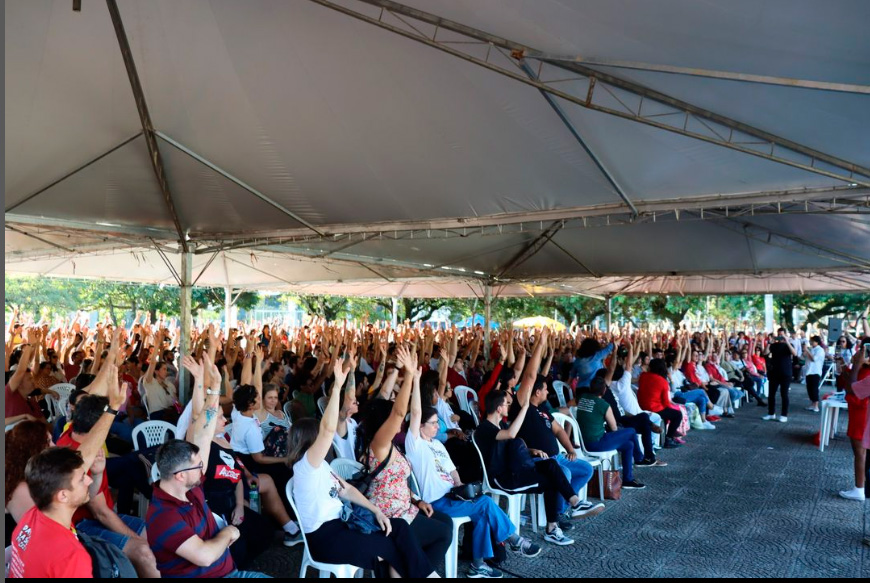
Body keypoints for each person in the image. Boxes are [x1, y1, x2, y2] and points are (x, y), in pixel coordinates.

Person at [288, 358, 438, 578]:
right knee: (391, 547)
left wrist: (376, 511)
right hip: (325, 539)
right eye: (320, 437)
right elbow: (328, 429)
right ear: (311, 442)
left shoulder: (322, 467)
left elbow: (347, 490)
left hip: (343, 525)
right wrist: (337, 385)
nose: (326, 441)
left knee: (399, 528)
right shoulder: (306, 468)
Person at [406, 360, 542, 578]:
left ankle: (478, 565)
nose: (437, 426)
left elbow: (453, 472)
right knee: (486, 504)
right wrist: (414, 380)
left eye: (436, 423)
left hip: (452, 496)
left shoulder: (438, 445)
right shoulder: (415, 445)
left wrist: (461, 487)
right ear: (420, 426)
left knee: (481, 508)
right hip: (435, 502)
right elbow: (414, 411)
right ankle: (515, 540)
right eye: (433, 423)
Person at [147, 353, 270, 578]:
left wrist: (214, 388)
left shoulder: (191, 488)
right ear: (180, 475)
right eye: (197, 467)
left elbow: (204, 429)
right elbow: (203, 556)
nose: (201, 468)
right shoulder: (164, 515)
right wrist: (228, 532)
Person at [8, 365, 126, 577]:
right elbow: (83, 457)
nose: (55, 444)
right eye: (83, 479)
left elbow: (83, 458)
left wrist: (112, 406)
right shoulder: (70, 557)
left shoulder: (33, 516)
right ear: (61, 494)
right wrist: (112, 409)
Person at [476, 329, 589, 546]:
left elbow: (511, 442)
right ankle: (566, 510)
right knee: (557, 473)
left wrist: (530, 450)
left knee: (553, 470)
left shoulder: (501, 424)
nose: (510, 407)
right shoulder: (485, 429)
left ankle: (564, 513)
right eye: (507, 405)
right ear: (500, 408)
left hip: (519, 467)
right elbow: (511, 434)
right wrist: (524, 407)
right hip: (505, 477)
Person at [508, 374, 605, 525]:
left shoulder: (544, 411)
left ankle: (563, 508)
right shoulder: (523, 410)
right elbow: (529, 375)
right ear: (537, 392)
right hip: (539, 460)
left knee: (586, 469)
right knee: (564, 473)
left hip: (558, 457)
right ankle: (562, 512)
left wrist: (570, 450)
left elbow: (559, 430)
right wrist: (540, 349)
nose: (548, 392)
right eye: (545, 389)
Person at [576, 375, 646, 491]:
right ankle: (639, 458)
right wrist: (619, 434)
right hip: (596, 443)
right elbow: (613, 428)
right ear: (604, 390)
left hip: (583, 442)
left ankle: (628, 480)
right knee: (631, 431)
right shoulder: (604, 405)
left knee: (629, 445)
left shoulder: (583, 398)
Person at [841, 336, 870, 501]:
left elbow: (852, 388)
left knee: (859, 452)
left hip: (862, 412)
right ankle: (862, 486)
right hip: (860, 411)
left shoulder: (866, 369)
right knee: (861, 452)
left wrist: (857, 364)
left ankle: (859, 488)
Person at [141, 331, 180, 423]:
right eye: (164, 369)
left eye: (166, 369)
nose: (166, 372)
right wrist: (157, 345)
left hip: (170, 412)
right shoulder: (150, 382)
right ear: (156, 371)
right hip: (157, 415)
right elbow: (153, 363)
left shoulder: (169, 384)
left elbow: (175, 401)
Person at [762, 329, 798, 423]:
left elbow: (794, 354)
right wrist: (769, 343)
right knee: (771, 394)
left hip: (786, 373)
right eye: (779, 335)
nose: (780, 337)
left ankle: (784, 415)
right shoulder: (774, 345)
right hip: (774, 372)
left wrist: (787, 342)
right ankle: (771, 413)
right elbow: (765, 353)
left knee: (784, 394)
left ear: (786, 335)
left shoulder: (789, 345)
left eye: (782, 335)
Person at [803, 335, 826, 413]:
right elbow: (804, 358)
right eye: (810, 341)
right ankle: (812, 403)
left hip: (815, 371)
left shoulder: (820, 350)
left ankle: (816, 405)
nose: (811, 342)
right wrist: (805, 351)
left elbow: (814, 359)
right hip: (808, 371)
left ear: (817, 342)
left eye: (812, 341)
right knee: (809, 389)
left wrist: (807, 350)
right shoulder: (811, 349)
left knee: (814, 389)